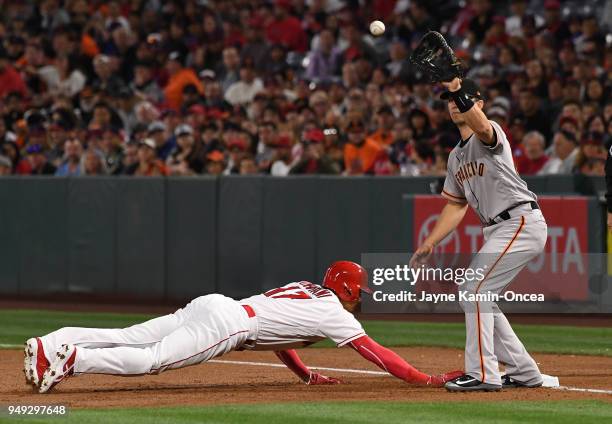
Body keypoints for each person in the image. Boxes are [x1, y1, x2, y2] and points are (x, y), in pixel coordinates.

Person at [25, 261, 462, 393]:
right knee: (151, 361)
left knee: (132, 336)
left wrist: (304, 373)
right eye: (357, 292)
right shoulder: (335, 313)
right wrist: (424, 378)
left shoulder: (307, 289)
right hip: (229, 323)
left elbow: (282, 336)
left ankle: (50, 344)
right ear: (347, 289)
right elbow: (377, 353)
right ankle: (71, 360)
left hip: (216, 305)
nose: (358, 299)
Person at [411, 78, 547, 392]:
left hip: (520, 221)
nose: (453, 105)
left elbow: (482, 128)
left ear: (478, 104)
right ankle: (525, 371)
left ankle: (483, 373)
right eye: (448, 100)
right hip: (501, 228)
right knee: (477, 293)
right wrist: (429, 243)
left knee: (474, 289)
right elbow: (456, 207)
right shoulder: (455, 157)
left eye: (459, 100)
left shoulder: (491, 133)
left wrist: (460, 92)